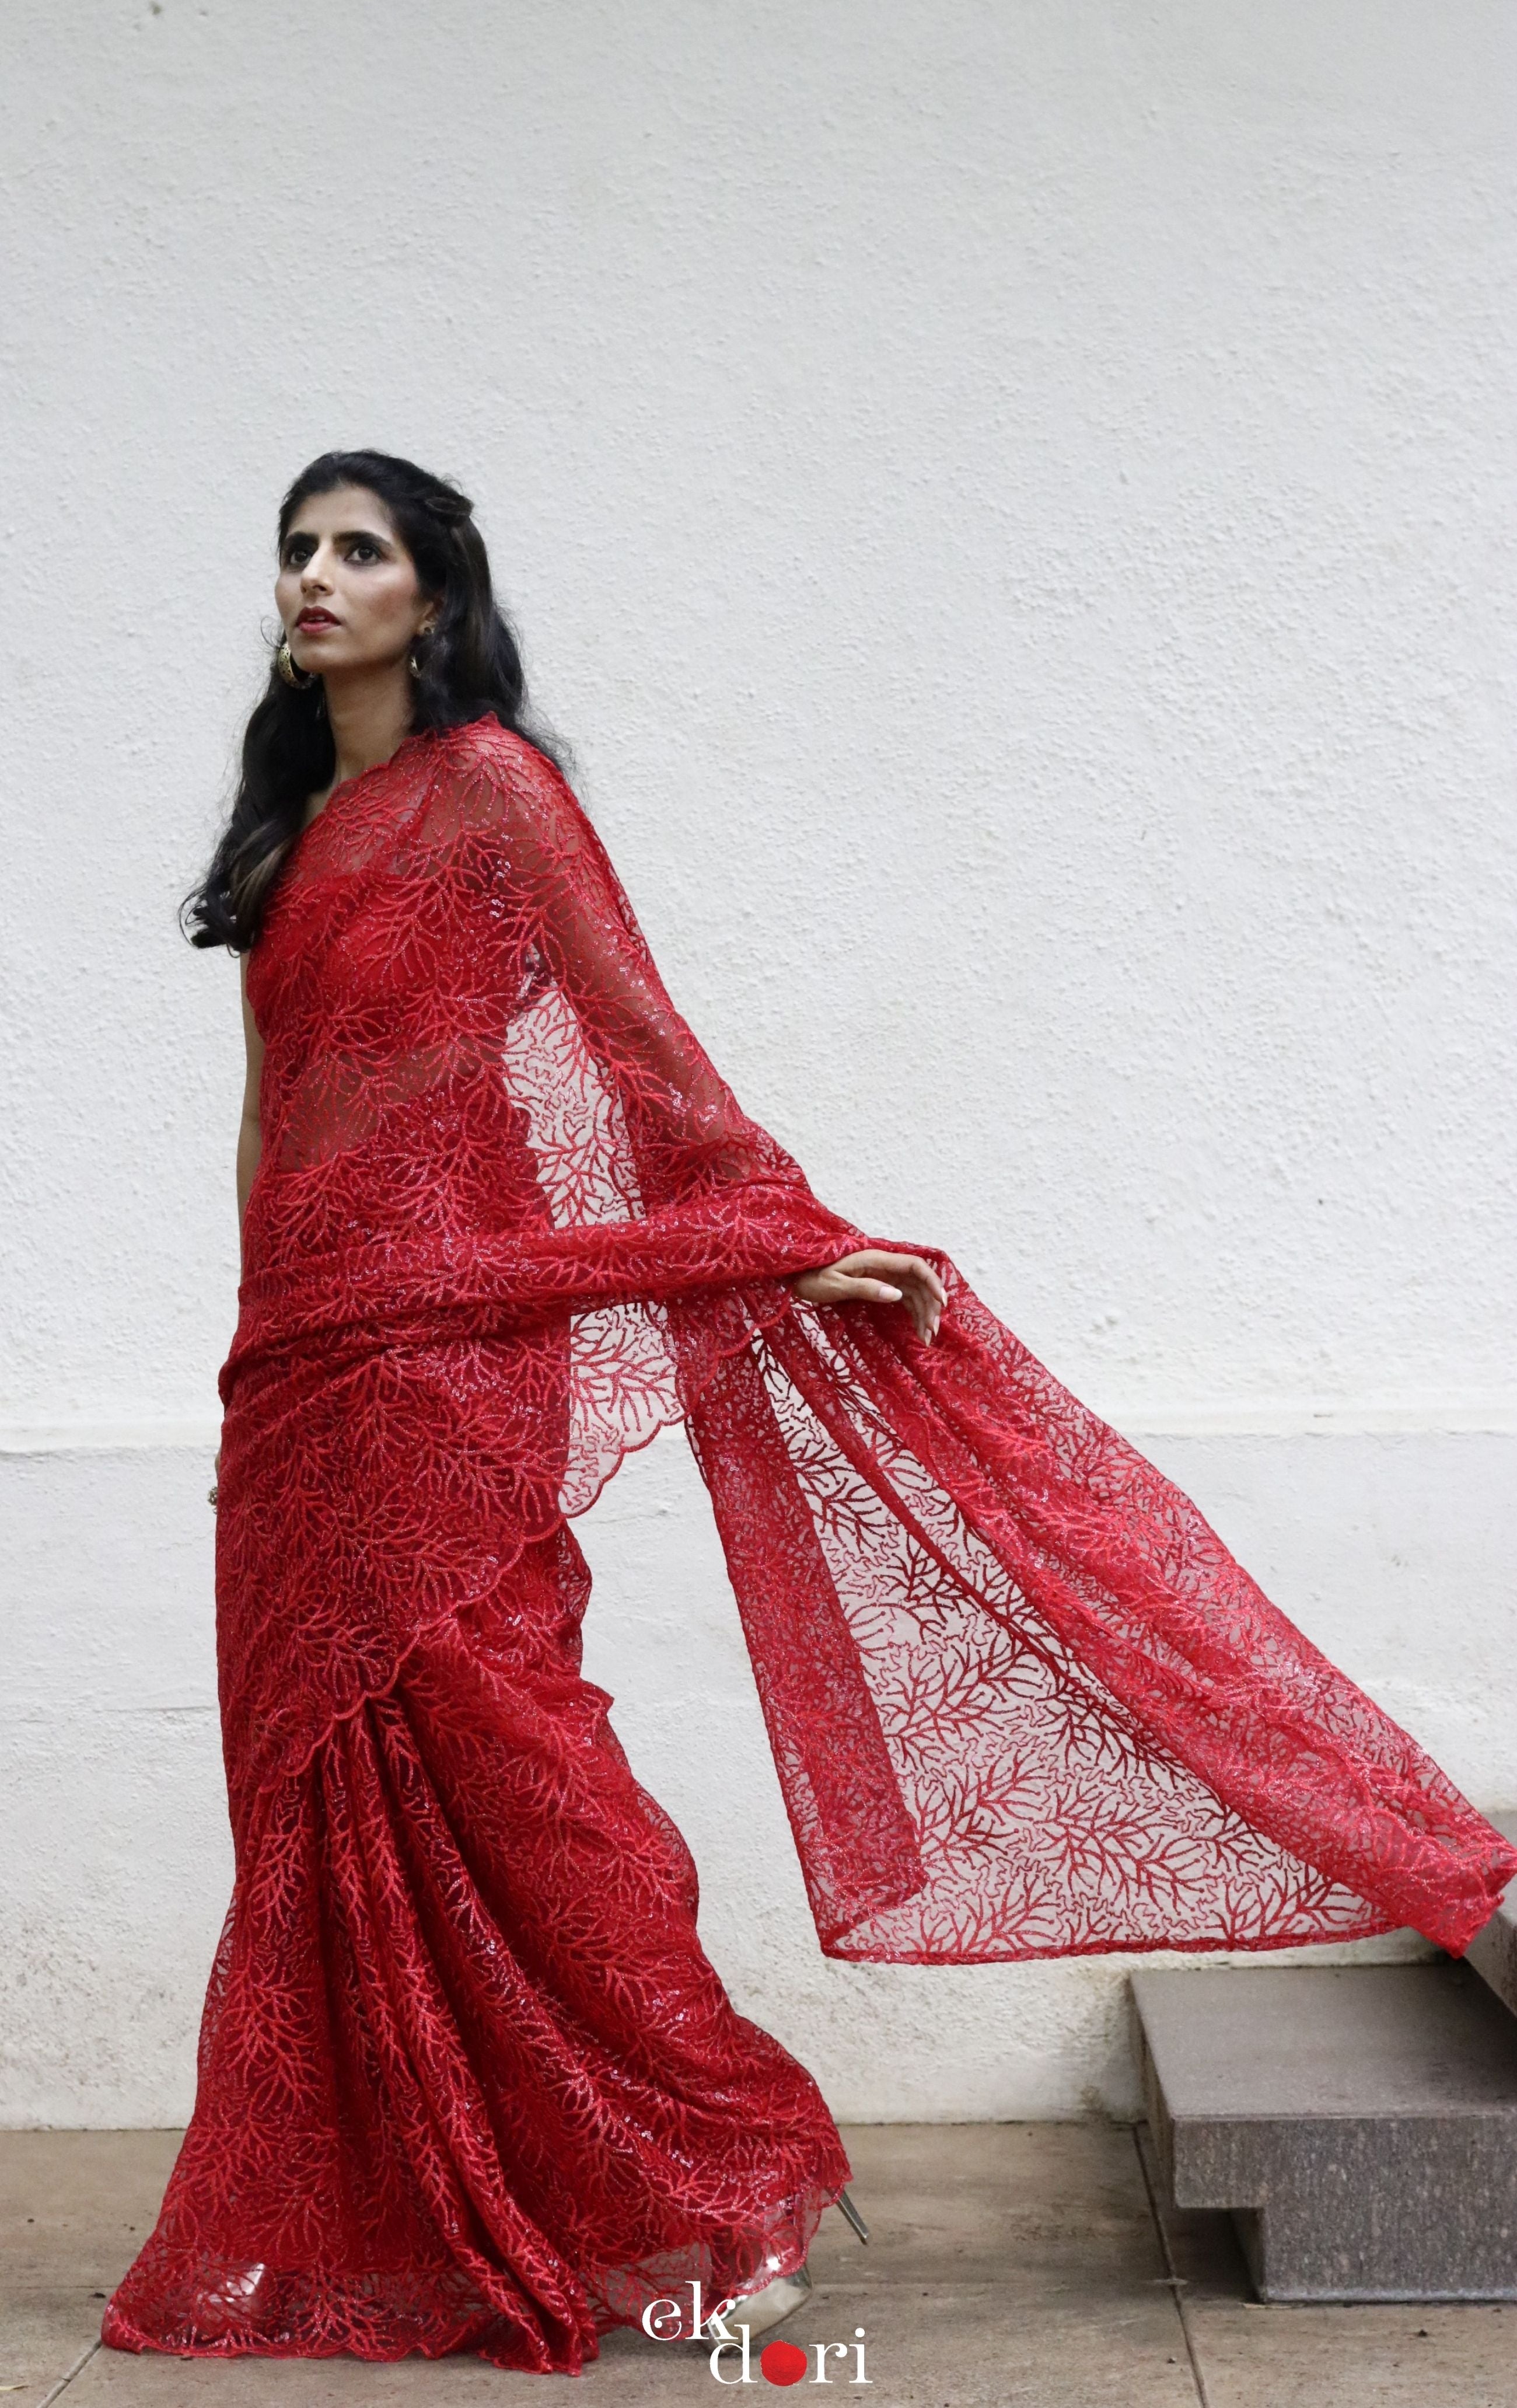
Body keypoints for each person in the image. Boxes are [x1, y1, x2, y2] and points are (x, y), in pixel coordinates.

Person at [103, 451, 1517, 2378]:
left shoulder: (495, 789)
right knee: (317, 1799)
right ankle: (454, 2205)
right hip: (302, 1369)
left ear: (438, 599)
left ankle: (717, 2173)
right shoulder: (289, 828)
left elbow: (640, 1041)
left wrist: (780, 1242)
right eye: (297, 549)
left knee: (530, 1781)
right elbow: (273, 1119)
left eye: (364, 551)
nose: (318, 577)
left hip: (457, 1365)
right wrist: (261, 1333)